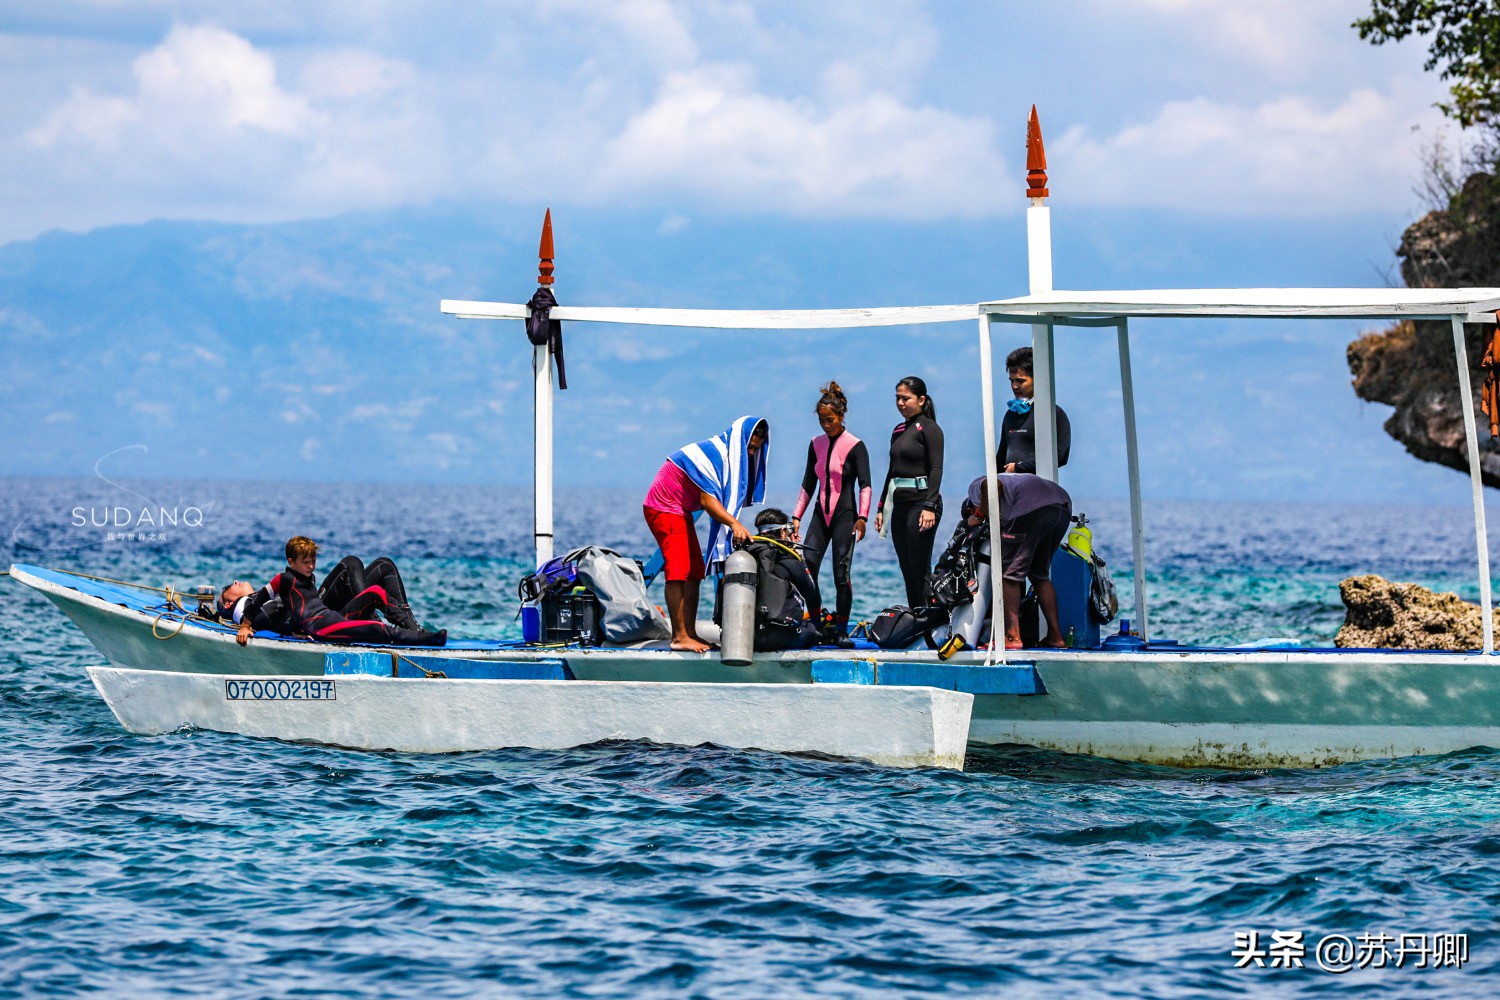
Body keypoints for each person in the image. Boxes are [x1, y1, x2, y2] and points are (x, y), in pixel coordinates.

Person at [643, 416, 769, 653]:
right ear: (739, 442)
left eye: (756, 450)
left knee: (695, 571)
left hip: (679, 510)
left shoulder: (726, 456)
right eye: (749, 448)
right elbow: (707, 501)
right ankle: (679, 637)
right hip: (664, 506)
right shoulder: (717, 455)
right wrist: (735, 524)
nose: (751, 454)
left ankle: (689, 632)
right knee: (678, 570)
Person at [232, 536, 446, 647]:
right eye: (306, 562)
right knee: (377, 629)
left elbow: (298, 607)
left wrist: (297, 628)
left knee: (376, 592)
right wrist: (245, 626)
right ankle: (427, 641)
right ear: (291, 562)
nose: (312, 566)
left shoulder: (309, 578)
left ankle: (415, 631)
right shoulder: (283, 579)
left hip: (333, 618)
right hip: (322, 629)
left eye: (314, 561)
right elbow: (259, 599)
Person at [790, 381, 871, 636]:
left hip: (845, 516)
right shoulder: (816, 444)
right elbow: (808, 483)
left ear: (841, 415)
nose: (826, 425)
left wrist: (862, 517)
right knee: (808, 567)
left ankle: (841, 630)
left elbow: (865, 484)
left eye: (830, 420)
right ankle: (815, 623)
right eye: (822, 421)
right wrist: (796, 517)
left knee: (840, 573)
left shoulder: (856, 445)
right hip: (819, 515)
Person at [968, 472, 1072, 650]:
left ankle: (1012, 637)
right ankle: (1056, 637)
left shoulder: (974, 489)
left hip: (1031, 507)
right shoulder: (1012, 484)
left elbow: (992, 485)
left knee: (1009, 574)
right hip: (1062, 507)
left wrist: (978, 515)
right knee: (1039, 575)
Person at [218, 554, 425, 633]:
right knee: (349, 564)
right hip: (315, 619)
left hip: (322, 607)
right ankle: (374, 622)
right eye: (229, 587)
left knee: (384, 565)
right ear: (228, 603)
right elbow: (249, 619)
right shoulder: (242, 606)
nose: (235, 582)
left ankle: (412, 626)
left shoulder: (261, 597)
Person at [874, 376, 944, 607]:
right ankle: (916, 616)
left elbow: (936, 468)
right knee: (906, 567)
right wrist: (881, 508)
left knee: (919, 566)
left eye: (906, 398)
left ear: (921, 400)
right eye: (898, 398)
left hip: (922, 503)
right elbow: (892, 472)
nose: (901, 403)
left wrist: (930, 506)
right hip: (901, 505)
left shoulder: (930, 428)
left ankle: (929, 619)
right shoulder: (898, 430)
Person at [745, 508, 823, 652]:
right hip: (775, 638)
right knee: (811, 630)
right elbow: (811, 591)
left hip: (744, 636)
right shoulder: (786, 560)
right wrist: (797, 554)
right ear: (782, 532)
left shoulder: (746, 555)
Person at [997, 346, 1071, 474]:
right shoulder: (1011, 414)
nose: (1014, 386)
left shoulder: (1053, 413)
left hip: (1038, 489)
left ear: (1037, 378)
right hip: (1010, 486)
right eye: (1012, 381)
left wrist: (1018, 467)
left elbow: (1060, 456)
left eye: (1020, 381)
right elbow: (1001, 456)